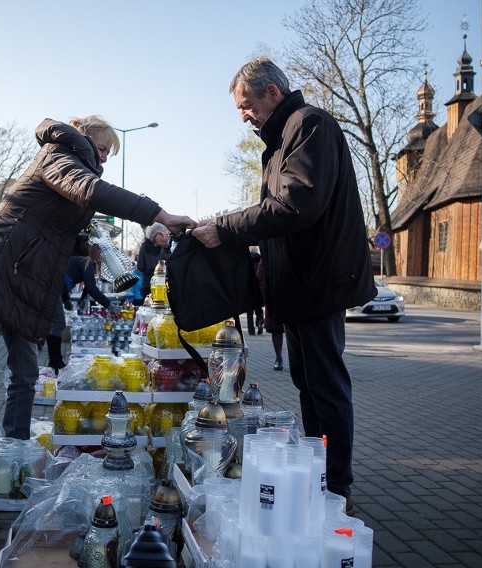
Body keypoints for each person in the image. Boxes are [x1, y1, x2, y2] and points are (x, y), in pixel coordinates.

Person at [0, 116, 195, 443]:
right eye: (103, 148)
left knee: (26, 375)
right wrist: (159, 214)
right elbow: (92, 191)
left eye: (110, 153)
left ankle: (16, 449)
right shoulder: (60, 156)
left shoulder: (74, 164)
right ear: (86, 138)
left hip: (25, 279)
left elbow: (52, 229)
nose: (105, 158)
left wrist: (84, 245)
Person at [192, 58, 375, 515]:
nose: (244, 115)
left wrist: (226, 227)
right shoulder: (278, 145)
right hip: (298, 286)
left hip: (319, 282)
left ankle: (336, 488)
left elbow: (295, 206)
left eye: (247, 105)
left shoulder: (308, 125)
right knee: (308, 383)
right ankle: (321, 476)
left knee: (325, 384)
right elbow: (275, 217)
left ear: (273, 92)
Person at [47, 243, 111, 371]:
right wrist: (110, 305)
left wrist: (66, 300)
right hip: (51, 290)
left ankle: (55, 361)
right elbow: (92, 288)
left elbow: (67, 277)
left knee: (56, 324)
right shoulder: (88, 263)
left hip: (53, 289)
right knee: (58, 324)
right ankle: (55, 361)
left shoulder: (82, 261)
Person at [136, 222, 170, 303]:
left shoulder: (144, 246)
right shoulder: (165, 246)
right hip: (164, 284)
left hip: (148, 284)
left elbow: (140, 266)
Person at [246, 247, 265, 336]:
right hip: (258, 288)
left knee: (249, 312)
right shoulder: (261, 259)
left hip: (248, 289)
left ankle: (251, 330)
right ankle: (259, 323)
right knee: (259, 310)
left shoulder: (246, 260)